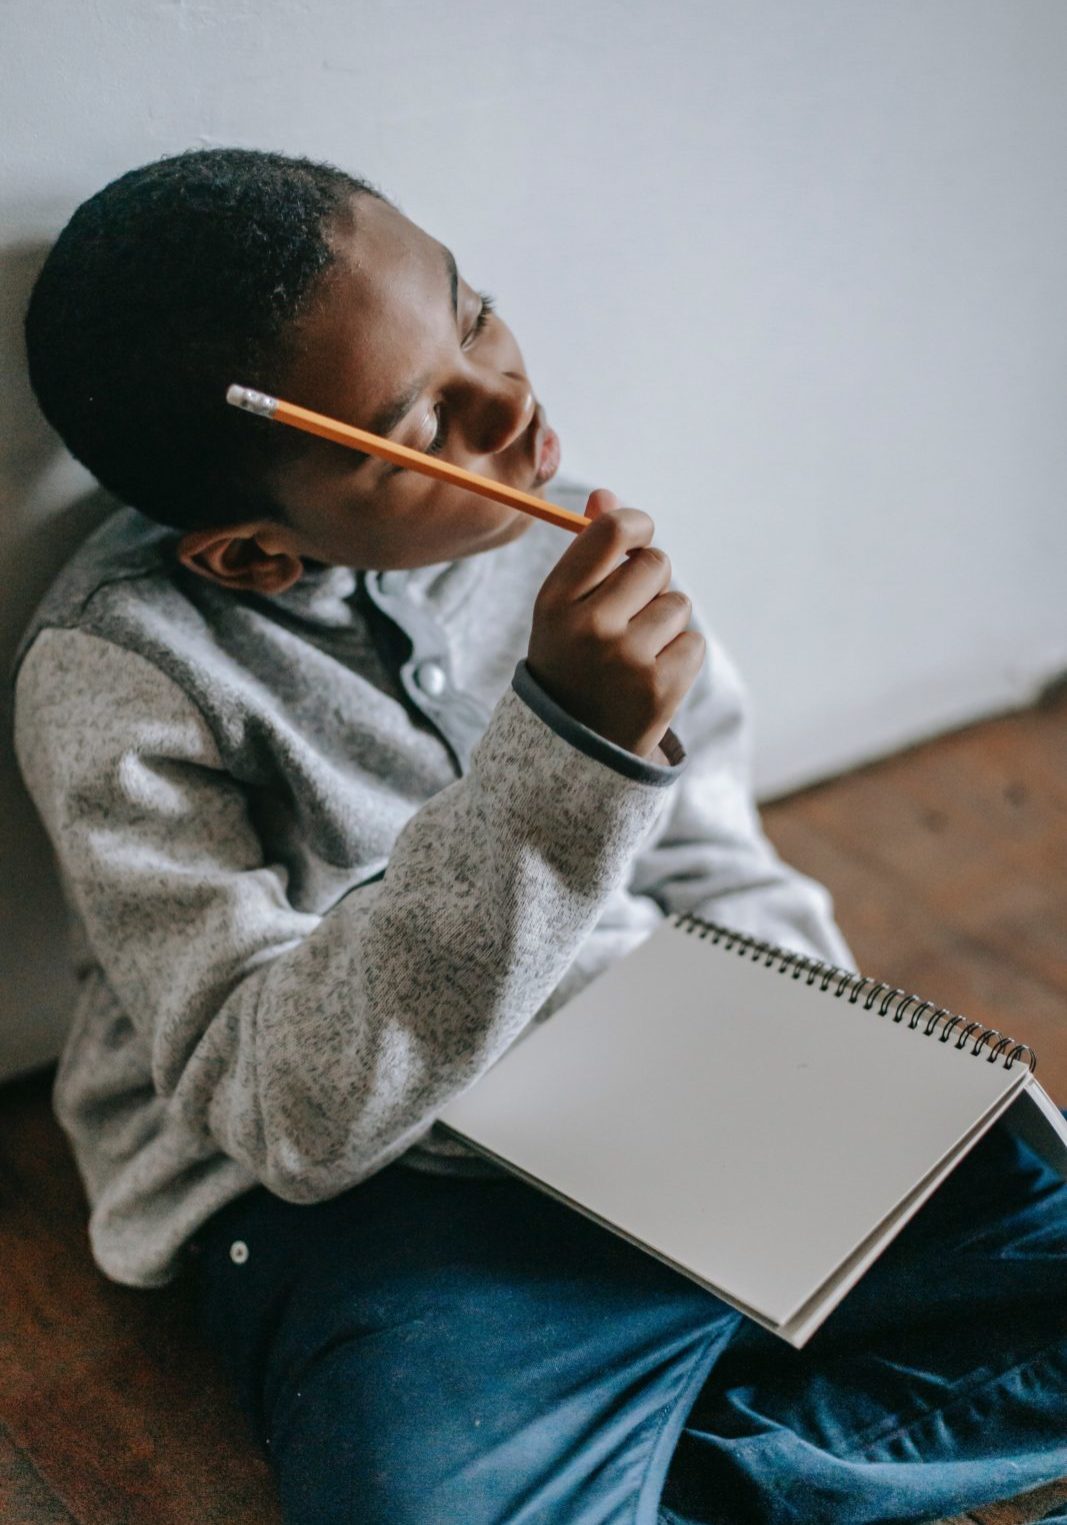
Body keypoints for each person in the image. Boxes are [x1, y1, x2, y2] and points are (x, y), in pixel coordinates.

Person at [11, 147, 1065, 1525]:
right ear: (254, 553)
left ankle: (676, 1466)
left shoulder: (544, 533)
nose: (511, 402)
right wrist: (572, 750)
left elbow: (710, 855)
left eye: (475, 307)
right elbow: (284, 1112)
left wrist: (842, 1072)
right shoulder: (121, 676)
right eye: (423, 425)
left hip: (675, 1094)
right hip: (395, 1204)